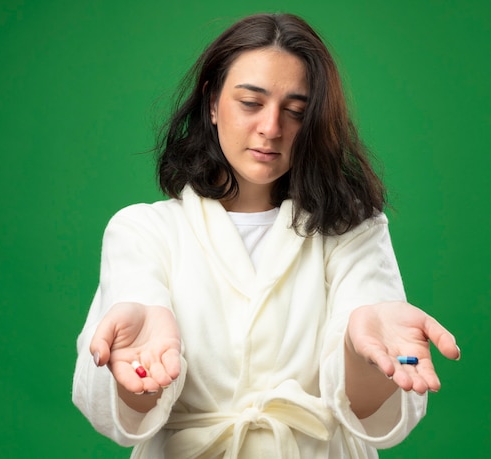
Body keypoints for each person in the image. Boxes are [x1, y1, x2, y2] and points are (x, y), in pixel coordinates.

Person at [72, 12, 460, 458]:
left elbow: (373, 413)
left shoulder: (354, 230)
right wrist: (141, 370)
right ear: (212, 103)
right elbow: (119, 412)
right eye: (251, 103)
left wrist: (360, 352)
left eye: (296, 112)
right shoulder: (143, 230)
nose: (272, 128)